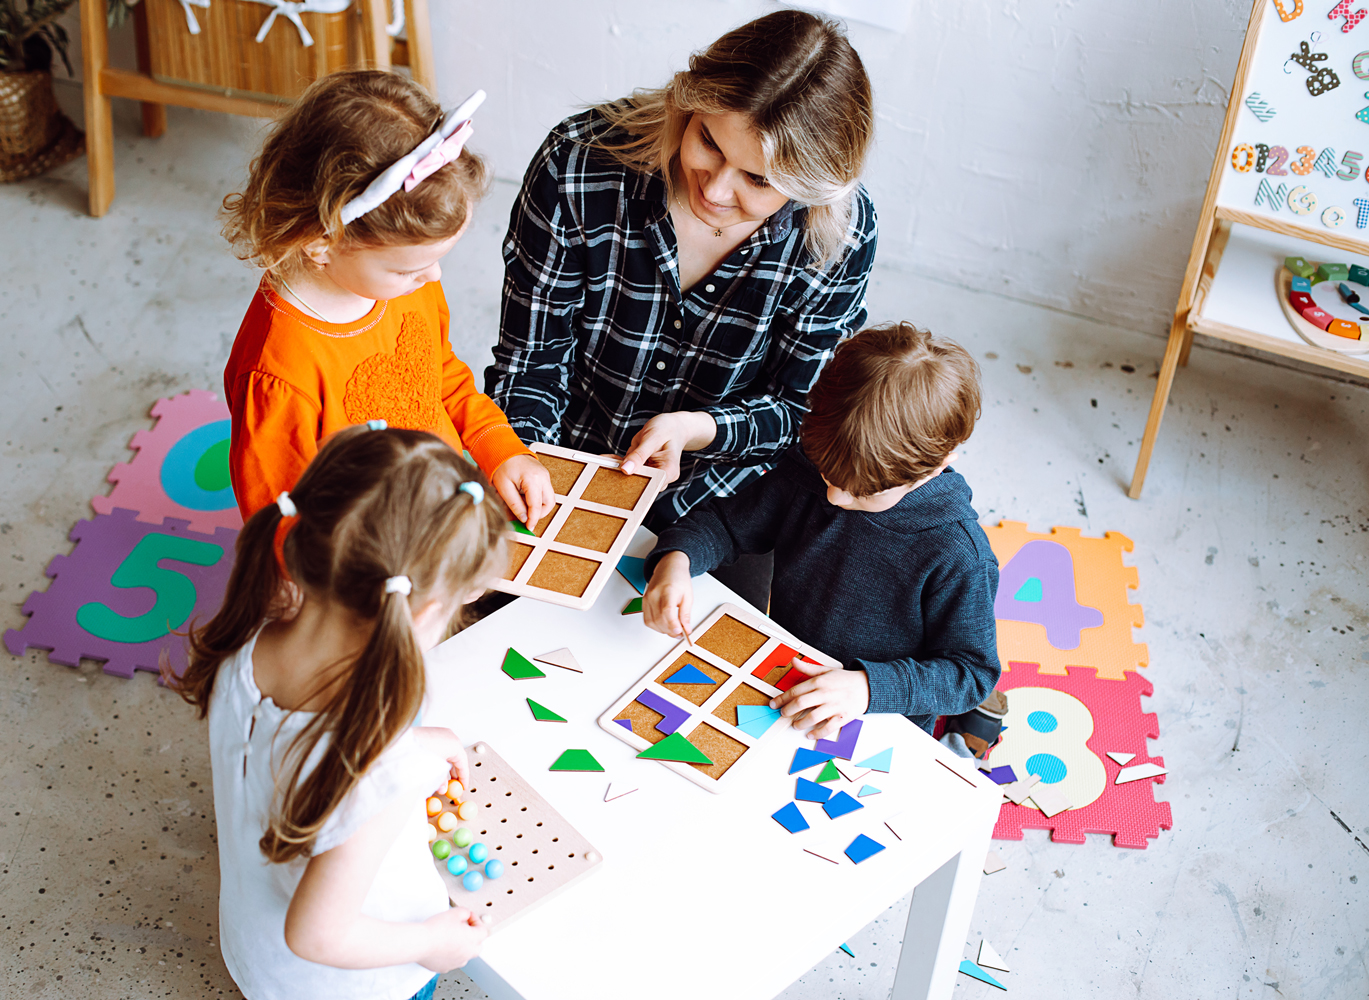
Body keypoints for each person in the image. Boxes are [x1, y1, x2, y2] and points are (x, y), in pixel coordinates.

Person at [485, 10, 877, 608]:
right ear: (687, 103)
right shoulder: (578, 163)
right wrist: (532, 465)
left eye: (757, 180)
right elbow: (531, 362)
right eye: (708, 143)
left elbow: (801, 409)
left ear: (812, 186)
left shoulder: (840, 234)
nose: (715, 190)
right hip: (565, 457)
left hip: (722, 497)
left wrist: (698, 431)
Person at [173, 425, 505, 1000]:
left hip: (258, 948)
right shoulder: (376, 767)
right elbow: (317, 934)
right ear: (423, 613)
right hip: (350, 984)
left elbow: (291, 750)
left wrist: (414, 743)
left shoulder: (250, 641)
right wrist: (433, 942)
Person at [222, 70, 554, 529]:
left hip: (437, 511)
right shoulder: (278, 374)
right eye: (407, 269)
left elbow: (438, 373)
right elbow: (279, 525)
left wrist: (500, 448)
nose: (433, 277)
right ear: (319, 242)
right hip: (360, 555)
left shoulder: (407, 282)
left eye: (435, 261)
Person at [640, 323, 1001, 741]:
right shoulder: (817, 465)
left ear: (937, 465)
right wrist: (676, 560)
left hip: (877, 715)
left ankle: (964, 738)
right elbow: (724, 525)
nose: (834, 496)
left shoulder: (960, 555)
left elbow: (971, 673)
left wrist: (866, 688)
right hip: (790, 680)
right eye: (827, 475)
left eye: (862, 493)